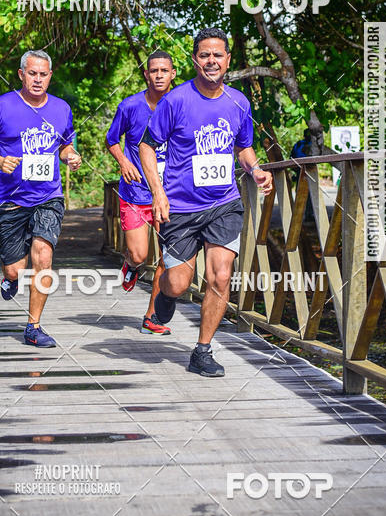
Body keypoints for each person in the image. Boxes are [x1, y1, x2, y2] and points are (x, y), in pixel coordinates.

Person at [139, 28, 273, 377]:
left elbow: (243, 147)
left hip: (224, 203)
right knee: (179, 284)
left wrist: (256, 170)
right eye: (204, 55)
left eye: (218, 55)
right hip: (181, 207)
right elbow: (146, 146)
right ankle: (165, 297)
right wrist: (158, 193)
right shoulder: (176, 101)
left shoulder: (239, 102)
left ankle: (202, 350)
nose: (211, 61)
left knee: (220, 276)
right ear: (195, 60)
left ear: (228, 60)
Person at [0, 49, 82, 347]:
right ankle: (11, 278)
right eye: (32, 73)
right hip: (11, 198)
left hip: (48, 195)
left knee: (44, 256)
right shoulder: (1, 106)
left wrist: (71, 156)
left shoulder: (61, 108)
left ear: (50, 76)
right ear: (21, 74)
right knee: (15, 268)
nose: (38, 79)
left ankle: (33, 327)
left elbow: (65, 146)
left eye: (43, 74)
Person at [105, 51, 177, 334]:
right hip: (135, 192)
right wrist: (123, 162)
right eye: (153, 71)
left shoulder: (181, 104)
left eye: (164, 70)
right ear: (146, 75)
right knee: (138, 254)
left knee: (166, 258)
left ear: (172, 74)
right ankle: (131, 266)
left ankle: (151, 318)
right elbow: (112, 140)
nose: (159, 75)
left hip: (169, 194)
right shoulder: (130, 106)